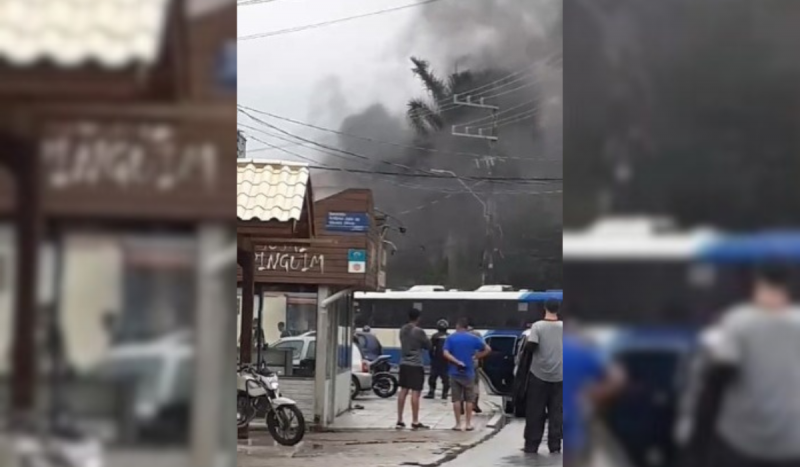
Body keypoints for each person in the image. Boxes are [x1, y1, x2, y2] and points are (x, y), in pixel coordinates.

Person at [682, 264, 800, 467]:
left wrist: (698, 444)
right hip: (792, 443)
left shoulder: (738, 321)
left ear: (757, 287)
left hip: (741, 444)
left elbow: (716, 383)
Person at [558, 318, 624, 462]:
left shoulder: (560, 349)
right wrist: (595, 394)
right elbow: (617, 378)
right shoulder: (583, 351)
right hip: (577, 422)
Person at [524, 299, 564, 455]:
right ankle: (555, 445)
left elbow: (531, 347)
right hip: (560, 375)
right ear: (558, 309)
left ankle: (532, 445)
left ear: (544, 308)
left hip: (538, 375)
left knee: (536, 411)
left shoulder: (537, 326)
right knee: (557, 412)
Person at [443, 317, 492, 431]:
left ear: (457, 326)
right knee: (469, 399)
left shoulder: (451, 338)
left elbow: (445, 353)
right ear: (467, 327)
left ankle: (458, 424)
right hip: (469, 372)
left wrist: (456, 361)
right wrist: (476, 356)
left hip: (454, 371)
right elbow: (488, 349)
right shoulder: (473, 338)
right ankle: (469, 424)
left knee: (456, 399)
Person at [396, 308, 432, 430]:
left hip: (403, 363)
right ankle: (415, 420)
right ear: (418, 318)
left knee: (403, 391)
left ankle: (400, 419)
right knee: (415, 392)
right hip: (416, 364)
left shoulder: (402, 330)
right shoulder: (419, 331)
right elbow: (428, 345)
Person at [425, 319, 450, 400]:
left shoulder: (435, 336)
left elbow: (431, 348)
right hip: (446, 360)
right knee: (446, 378)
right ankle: (444, 394)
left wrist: (432, 358)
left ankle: (431, 392)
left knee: (433, 377)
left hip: (436, 360)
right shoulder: (449, 336)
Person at [467, 324, 484, 413]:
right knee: (475, 384)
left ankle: (461, 404)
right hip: (474, 362)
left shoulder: (459, 334)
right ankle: (474, 404)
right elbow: (483, 348)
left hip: (460, 362)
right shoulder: (477, 334)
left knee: (461, 384)